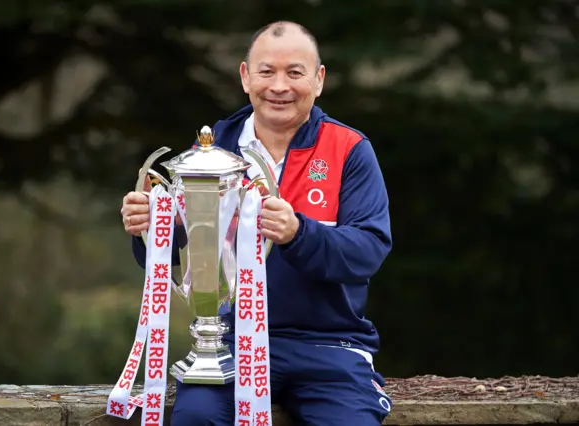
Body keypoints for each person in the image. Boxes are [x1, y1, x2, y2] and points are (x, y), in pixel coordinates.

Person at [120, 21, 393, 426]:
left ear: (319, 80)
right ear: (246, 77)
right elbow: (176, 247)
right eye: (266, 72)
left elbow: (368, 250)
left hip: (330, 347)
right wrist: (149, 225)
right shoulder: (212, 150)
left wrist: (300, 233)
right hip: (229, 344)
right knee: (195, 418)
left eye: (295, 73)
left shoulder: (349, 149)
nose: (279, 86)